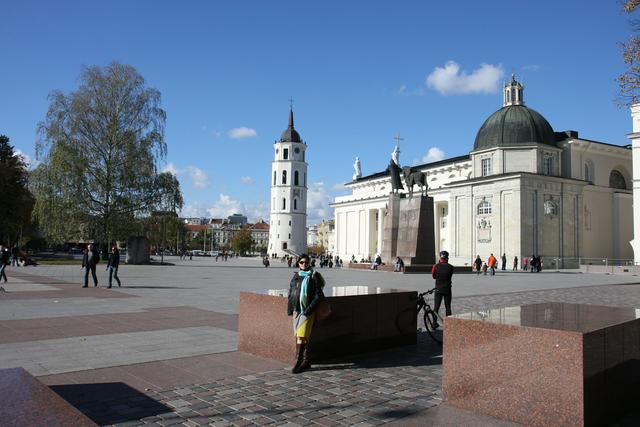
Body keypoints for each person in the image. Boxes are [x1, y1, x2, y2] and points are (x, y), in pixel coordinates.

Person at [287, 254, 325, 374]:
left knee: (300, 335)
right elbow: (291, 291)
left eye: (306, 262)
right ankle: (306, 360)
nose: (304, 264)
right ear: (298, 263)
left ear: (309, 263)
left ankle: (298, 363)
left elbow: (318, 295)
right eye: (301, 262)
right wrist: (290, 307)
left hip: (307, 310)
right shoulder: (296, 276)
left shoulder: (314, 276)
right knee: (304, 336)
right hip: (296, 310)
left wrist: (309, 309)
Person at [431, 250, 454, 319]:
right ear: (447, 258)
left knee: (436, 307)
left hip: (438, 289)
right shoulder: (451, 267)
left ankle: (434, 323)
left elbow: (433, 276)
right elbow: (450, 275)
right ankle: (449, 322)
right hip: (447, 289)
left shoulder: (435, 266)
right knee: (448, 307)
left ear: (440, 258)